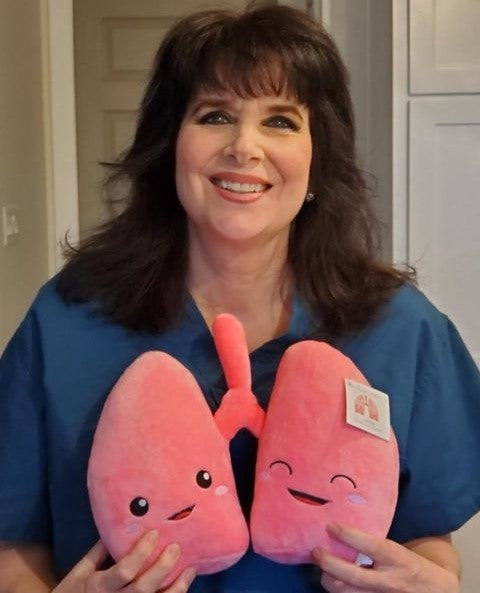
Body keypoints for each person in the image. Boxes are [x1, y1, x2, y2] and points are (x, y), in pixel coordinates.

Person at [0, 4, 479, 593]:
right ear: (169, 144)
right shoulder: (69, 321)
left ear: (318, 157)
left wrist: (437, 584)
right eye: (215, 115)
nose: (244, 148)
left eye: (280, 121)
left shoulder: (401, 329)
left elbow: (427, 537)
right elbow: (15, 543)